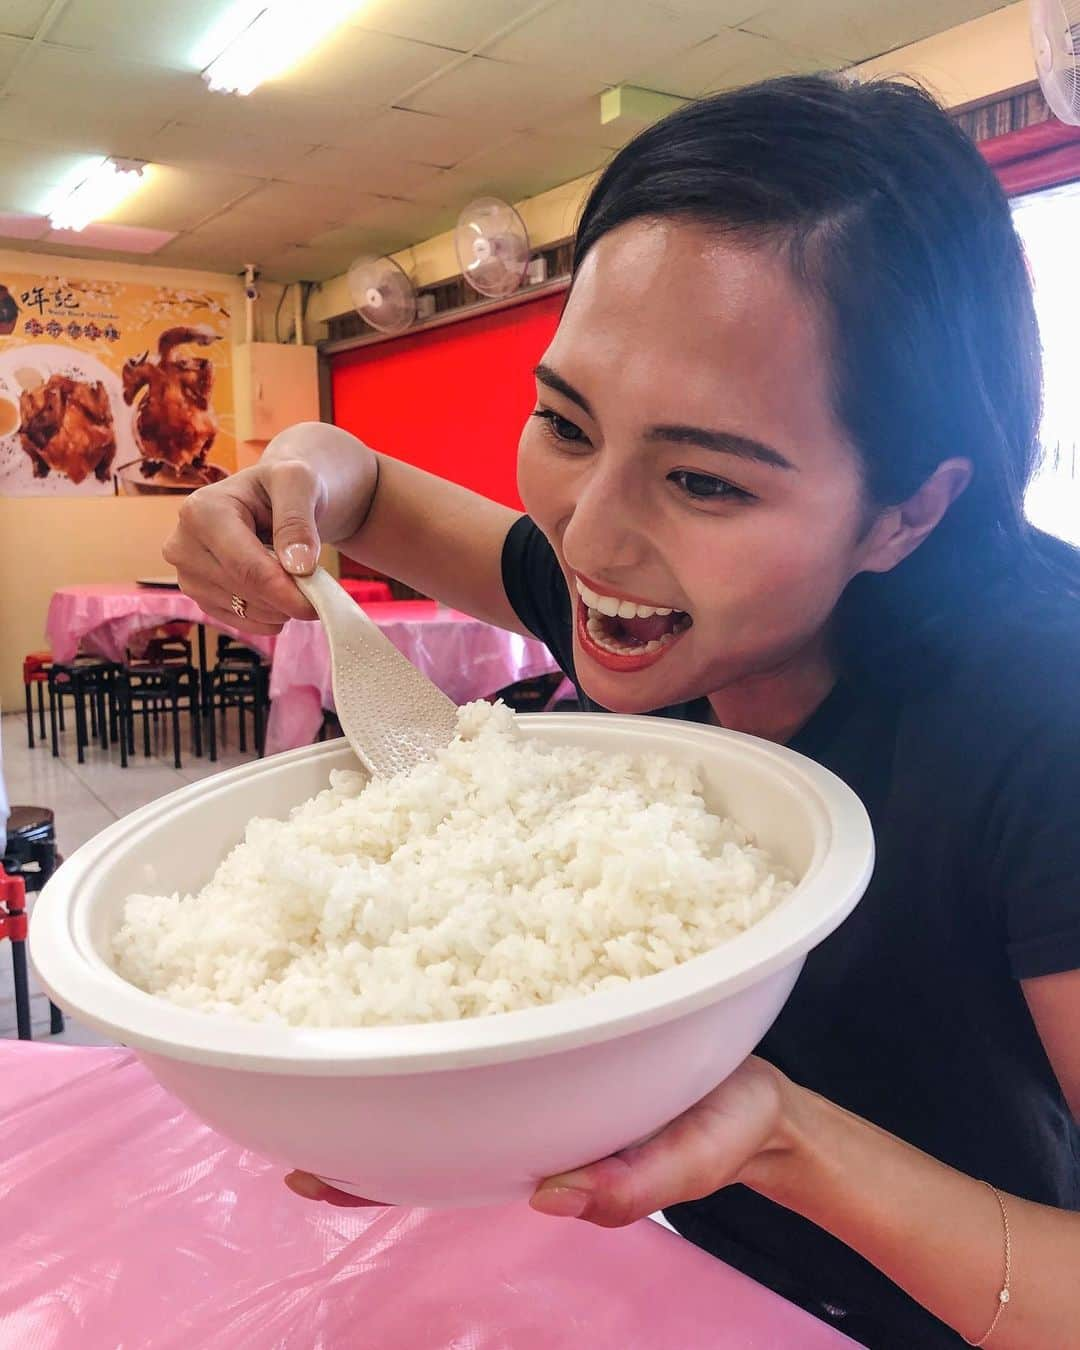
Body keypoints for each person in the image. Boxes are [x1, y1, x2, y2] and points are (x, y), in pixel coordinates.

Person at [164, 76, 1080, 1349]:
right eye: (565, 421)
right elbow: (354, 475)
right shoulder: (654, 601)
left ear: (906, 513)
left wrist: (782, 1136)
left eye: (704, 479)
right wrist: (285, 493)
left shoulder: (1046, 724)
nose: (588, 535)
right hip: (685, 1281)